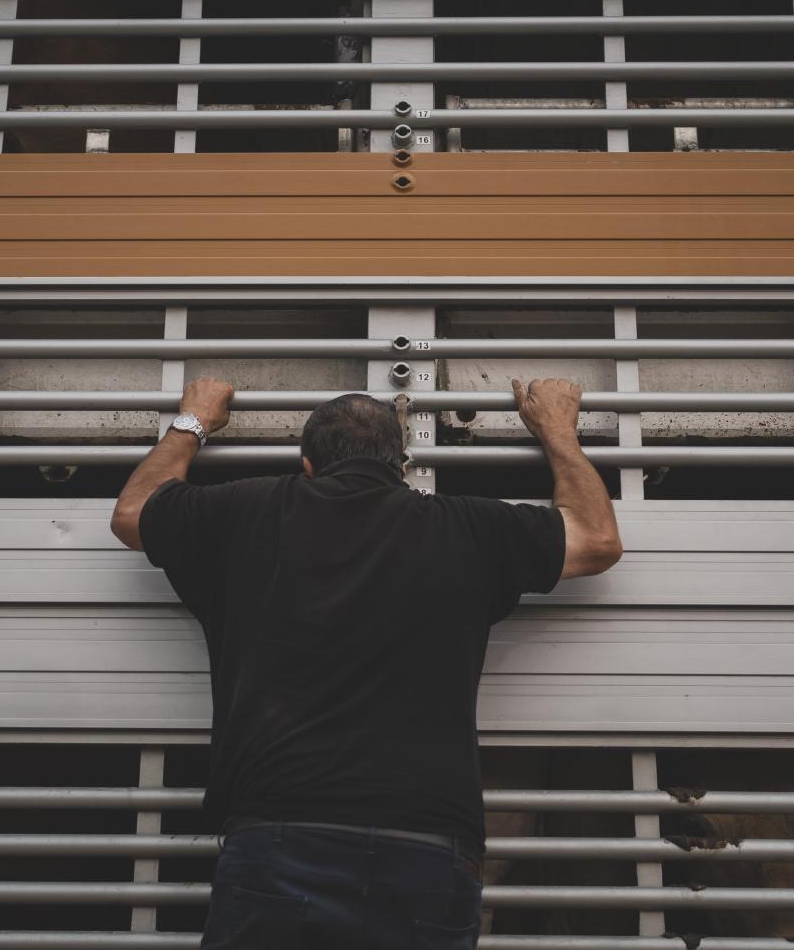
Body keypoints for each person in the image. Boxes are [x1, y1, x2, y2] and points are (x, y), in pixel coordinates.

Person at [110, 377, 623, 949]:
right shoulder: (468, 528)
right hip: (428, 849)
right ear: (401, 464)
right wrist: (556, 431)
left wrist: (194, 420)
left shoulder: (246, 510)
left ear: (307, 463)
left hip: (280, 837)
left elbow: (134, 513)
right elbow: (596, 540)